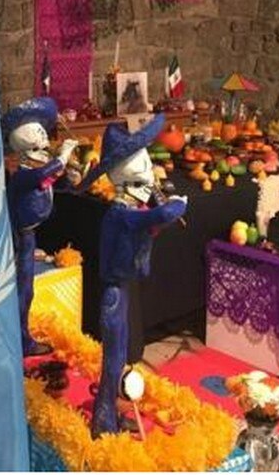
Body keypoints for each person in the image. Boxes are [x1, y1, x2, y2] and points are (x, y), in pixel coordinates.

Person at [78, 115, 187, 437]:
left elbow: (153, 221)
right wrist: (177, 205)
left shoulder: (132, 210)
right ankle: (103, 419)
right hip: (113, 294)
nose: (147, 168)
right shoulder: (120, 214)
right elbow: (164, 213)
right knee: (113, 359)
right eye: (138, 162)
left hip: (122, 289)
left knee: (120, 356)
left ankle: (110, 410)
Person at [1, 97, 77, 356]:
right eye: (36, 130)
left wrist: (70, 176)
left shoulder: (37, 166)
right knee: (23, 289)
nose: (43, 134)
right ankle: (21, 340)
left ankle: (21, 336)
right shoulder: (23, 174)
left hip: (30, 236)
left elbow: (52, 180)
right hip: (21, 237)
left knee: (27, 288)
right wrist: (63, 156)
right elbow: (41, 177)